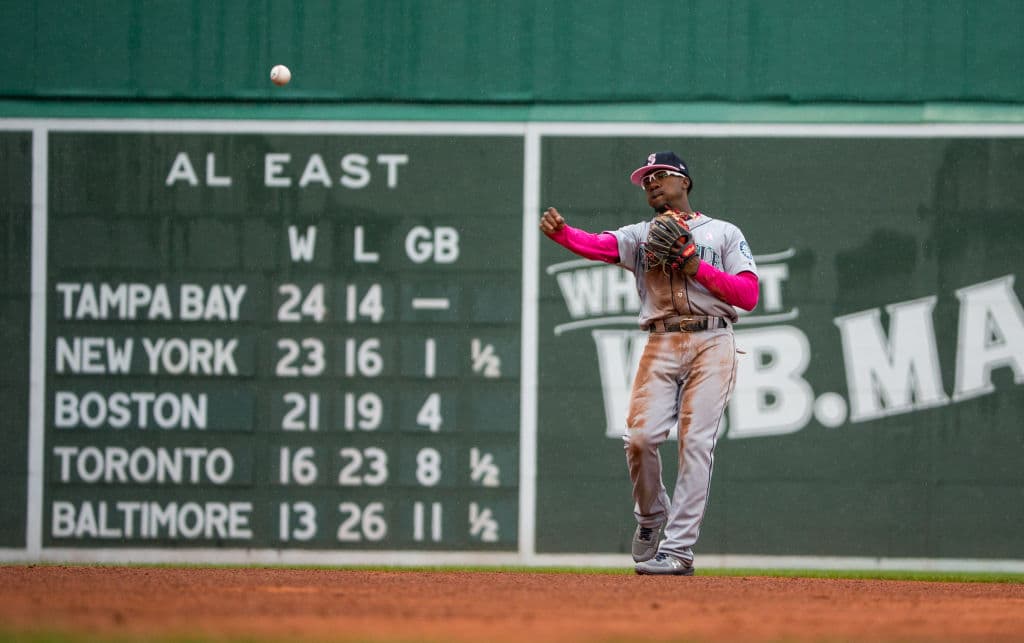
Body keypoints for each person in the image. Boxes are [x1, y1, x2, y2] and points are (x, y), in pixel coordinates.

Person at [539, 151, 759, 575]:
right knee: (639, 440)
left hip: (713, 340)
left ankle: (677, 551)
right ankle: (651, 517)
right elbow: (602, 246)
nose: (652, 183)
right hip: (660, 340)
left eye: (662, 175)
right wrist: (565, 235)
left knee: (695, 445)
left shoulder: (723, 233)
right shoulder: (640, 235)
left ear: (685, 182)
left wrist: (697, 267)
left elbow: (747, 295)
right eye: (647, 180)